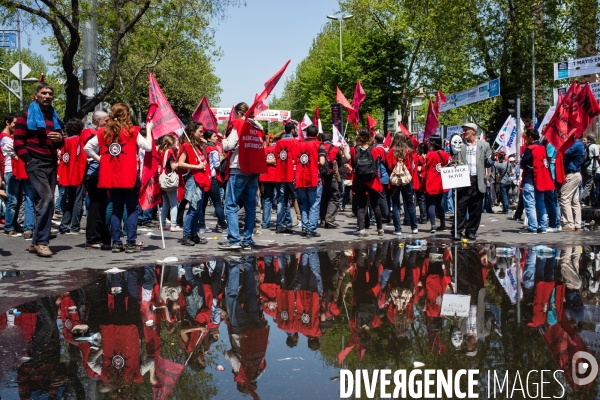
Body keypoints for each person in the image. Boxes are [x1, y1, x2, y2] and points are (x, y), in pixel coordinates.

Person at [84, 102, 151, 253]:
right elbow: (148, 147)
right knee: (132, 209)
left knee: (116, 209)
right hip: (129, 175)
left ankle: (116, 242)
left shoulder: (103, 132)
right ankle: (131, 242)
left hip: (112, 176)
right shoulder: (132, 131)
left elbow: (87, 147)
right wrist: (149, 130)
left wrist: (100, 159)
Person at [13, 83, 65, 257]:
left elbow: (60, 141)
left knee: (45, 204)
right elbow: (18, 142)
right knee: (47, 199)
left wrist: (60, 138)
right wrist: (29, 161)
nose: (48, 96)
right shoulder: (25, 115)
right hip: (35, 163)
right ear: (36, 95)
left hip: (51, 162)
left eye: (50, 93)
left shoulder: (54, 116)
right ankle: (42, 242)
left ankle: (36, 241)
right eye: (44, 93)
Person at [219, 102, 266, 251]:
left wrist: (223, 140)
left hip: (238, 168)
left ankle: (234, 240)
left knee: (231, 205)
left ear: (239, 113)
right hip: (253, 170)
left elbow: (229, 146)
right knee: (250, 206)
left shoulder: (239, 124)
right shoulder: (259, 127)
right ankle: (247, 240)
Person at [452, 123, 494, 240]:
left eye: (466, 130)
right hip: (464, 178)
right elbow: (453, 159)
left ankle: (471, 231)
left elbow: (488, 163)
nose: (464, 132)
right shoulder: (459, 144)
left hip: (478, 179)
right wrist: (453, 164)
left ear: (473, 132)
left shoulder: (484, 145)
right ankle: (457, 231)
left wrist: (493, 158)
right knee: (460, 207)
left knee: (476, 208)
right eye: (464, 130)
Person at [1, 113, 35, 238]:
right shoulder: (5, 138)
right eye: (14, 123)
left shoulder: (12, 137)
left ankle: (14, 224)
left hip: (19, 171)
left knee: (19, 200)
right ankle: (9, 226)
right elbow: (13, 151)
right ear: (7, 122)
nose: (16, 125)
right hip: (11, 171)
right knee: (12, 200)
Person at [81, 110, 111, 249]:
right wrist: (101, 160)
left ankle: (104, 236)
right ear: (97, 121)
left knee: (102, 206)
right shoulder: (91, 133)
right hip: (94, 174)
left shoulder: (103, 133)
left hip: (101, 174)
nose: (109, 122)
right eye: (106, 120)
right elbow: (88, 149)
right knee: (95, 206)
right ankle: (93, 238)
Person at [178, 121, 210, 246]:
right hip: (193, 179)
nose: (202, 134)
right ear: (192, 132)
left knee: (198, 209)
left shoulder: (197, 146)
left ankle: (194, 234)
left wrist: (203, 148)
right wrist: (196, 166)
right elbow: (180, 163)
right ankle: (186, 236)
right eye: (200, 131)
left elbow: (204, 161)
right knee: (193, 208)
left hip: (201, 179)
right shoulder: (186, 145)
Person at [519, 128, 554, 234]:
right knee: (541, 203)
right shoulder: (543, 147)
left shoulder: (530, 148)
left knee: (530, 204)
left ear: (530, 137)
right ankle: (543, 226)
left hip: (530, 178)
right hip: (541, 179)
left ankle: (532, 227)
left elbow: (522, 164)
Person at [350, 128, 383, 237]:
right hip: (372, 181)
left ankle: (362, 229)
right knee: (375, 205)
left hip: (359, 180)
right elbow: (376, 165)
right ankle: (380, 228)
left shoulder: (354, 149)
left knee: (361, 206)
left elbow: (353, 164)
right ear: (370, 137)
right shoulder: (374, 149)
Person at [57, 118, 87, 235]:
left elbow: (62, 158)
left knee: (69, 199)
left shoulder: (64, 141)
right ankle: (75, 226)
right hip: (78, 173)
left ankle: (64, 225)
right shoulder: (80, 140)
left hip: (68, 173)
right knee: (78, 199)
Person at [295, 125, 324, 237]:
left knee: (304, 203)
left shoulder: (299, 144)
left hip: (301, 177)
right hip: (313, 177)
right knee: (314, 203)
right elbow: (322, 162)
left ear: (307, 134)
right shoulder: (318, 144)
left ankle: (305, 227)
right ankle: (311, 229)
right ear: (316, 134)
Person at [387, 133, 418, 235]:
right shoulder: (409, 151)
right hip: (406, 180)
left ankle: (398, 229)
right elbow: (412, 166)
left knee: (396, 205)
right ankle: (414, 227)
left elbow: (389, 165)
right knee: (409, 203)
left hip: (395, 180)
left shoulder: (392, 151)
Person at [274, 122, 300, 233]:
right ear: (293, 130)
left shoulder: (278, 143)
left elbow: (276, 157)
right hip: (292, 174)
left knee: (281, 200)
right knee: (299, 198)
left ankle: (279, 225)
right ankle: (305, 225)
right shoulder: (295, 142)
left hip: (281, 175)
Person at [201, 129, 228, 233]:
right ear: (209, 138)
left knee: (202, 204)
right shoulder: (213, 149)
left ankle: (202, 226)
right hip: (212, 179)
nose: (216, 138)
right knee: (217, 203)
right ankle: (224, 226)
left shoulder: (203, 148)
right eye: (214, 137)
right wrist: (221, 159)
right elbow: (217, 165)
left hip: (204, 178)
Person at [319, 131, 346, 228]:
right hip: (331, 176)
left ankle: (322, 219)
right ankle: (329, 218)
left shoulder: (319, 147)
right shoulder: (335, 148)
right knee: (334, 196)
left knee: (323, 198)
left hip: (320, 176)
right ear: (331, 139)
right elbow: (340, 162)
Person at [423, 135, 449, 234]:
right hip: (441, 181)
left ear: (433, 143)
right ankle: (443, 223)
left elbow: (427, 167)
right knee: (439, 204)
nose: (428, 143)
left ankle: (433, 225)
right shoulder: (445, 154)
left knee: (431, 204)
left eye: (429, 142)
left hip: (432, 181)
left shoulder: (430, 154)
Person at [559, 137, 585, 231]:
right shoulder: (579, 144)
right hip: (575, 174)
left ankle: (569, 223)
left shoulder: (577, 144)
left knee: (565, 198)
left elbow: (566, 152)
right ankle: (577, 223)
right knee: (574, 201)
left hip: (572, 174)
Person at [157, 134, 181, 231]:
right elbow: (173, 166)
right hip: (169, 180)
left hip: (162, 179)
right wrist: (181, 162)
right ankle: (173, 224)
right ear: (171, 143)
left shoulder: (161, 151)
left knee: (166, 203)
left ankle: (162, 224)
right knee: (174, 203)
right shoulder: (170, 151)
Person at [259, 134, 277, 230]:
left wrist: (267, 161)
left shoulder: (264, 150)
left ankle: (265, 222)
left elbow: (260, 160)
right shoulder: (278, 149)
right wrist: (273, 161)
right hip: (276, 176)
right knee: (280, 199)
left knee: (267, 199)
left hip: (266, 177)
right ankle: (282, 222)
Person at [581, 134, 598, 206]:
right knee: (589, 185)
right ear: (594, 138)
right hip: (591, 168)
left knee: (589, 185)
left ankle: (592, 201)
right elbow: (597, 157)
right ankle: (581, 199)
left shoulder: (586, 145)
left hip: (584, 167)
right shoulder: (594, 146)